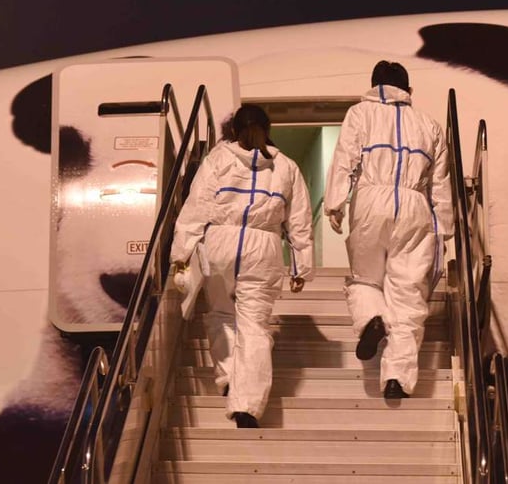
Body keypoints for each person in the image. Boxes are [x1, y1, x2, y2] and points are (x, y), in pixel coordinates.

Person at [171, 104, 313, 428]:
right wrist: (301, 267)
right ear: (269, 128)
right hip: (263, 248)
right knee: (254, 327)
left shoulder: (218, 159)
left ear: (233, 130)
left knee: (221, 315)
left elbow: (197, 206)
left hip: (220, 243)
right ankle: (247, 405)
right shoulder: (286, 166)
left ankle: (229, 377)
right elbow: (300, 220)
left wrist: (181, 253)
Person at [324, 60, 453, 399]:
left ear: (373, 85)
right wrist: (444, 228)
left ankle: (371, 319)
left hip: (370, 201)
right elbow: (440, 183)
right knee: (408, 295)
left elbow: (345, 158)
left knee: (365, 279)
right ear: (409, 90)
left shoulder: (360, 113)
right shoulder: (429, 125)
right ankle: (397, 378)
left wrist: (335, 202)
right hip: (414, 207)